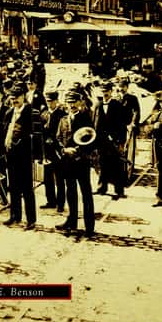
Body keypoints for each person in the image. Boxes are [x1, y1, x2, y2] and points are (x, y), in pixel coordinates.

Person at [55, 91, 96, 237]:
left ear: (80, 102)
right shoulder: (63, 120)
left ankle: (89, 226)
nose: (71, 105)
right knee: (71, 192)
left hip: (81, 161)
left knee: (86, 193)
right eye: (69, 102)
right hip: (67, 162)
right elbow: (58, 138)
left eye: (74, 102)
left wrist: (77, 150)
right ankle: (72, 221)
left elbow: (92, 139)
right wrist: (64, 150)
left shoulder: (86, 118)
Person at [2, 83, 39, 230]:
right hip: (11, 155)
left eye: (16, 98)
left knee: (27, 188)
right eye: (12, 98)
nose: (14, 101)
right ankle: (15, 215)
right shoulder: (9, 112)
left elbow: (35, 135)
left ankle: (31, 220)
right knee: (13, 187)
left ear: (23, 96)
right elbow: (4, 131)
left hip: (24, 156)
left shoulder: (31, 112)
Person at [92, 81, 127, 200]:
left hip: (114, 141)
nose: (105, 93)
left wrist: (121, 142)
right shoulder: (97, 105)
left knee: (117, 165)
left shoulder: (117, 105)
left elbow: (122, 125)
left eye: (107, 91)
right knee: (102, 164)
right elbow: (94, 123)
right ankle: (101, 188)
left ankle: (119, 190)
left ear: (111, 91)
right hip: (101, 141)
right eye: (103, 91)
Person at [39, 90, 66, 212]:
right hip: (47, 151)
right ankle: (51, 201)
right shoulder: (43, 114)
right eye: (48, 101)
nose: (49, 103)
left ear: (56, 101)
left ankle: (60, 203)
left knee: (59, 179)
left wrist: (55, 141)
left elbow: (63, 133)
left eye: (51, 101)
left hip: (57, 150)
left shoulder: (62, 115)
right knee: (47, 178)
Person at [118, 78, 141, 177]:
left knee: (129, 150)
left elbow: (136, 111)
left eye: (123, 87)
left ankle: (129, 172)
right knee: (120, 149)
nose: (121, 89)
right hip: (118, 127)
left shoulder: (132, 98)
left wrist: (133, 123)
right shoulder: (116, 98)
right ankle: (120, 171)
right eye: (119, 87)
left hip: (129, 126)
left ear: (127, 87)